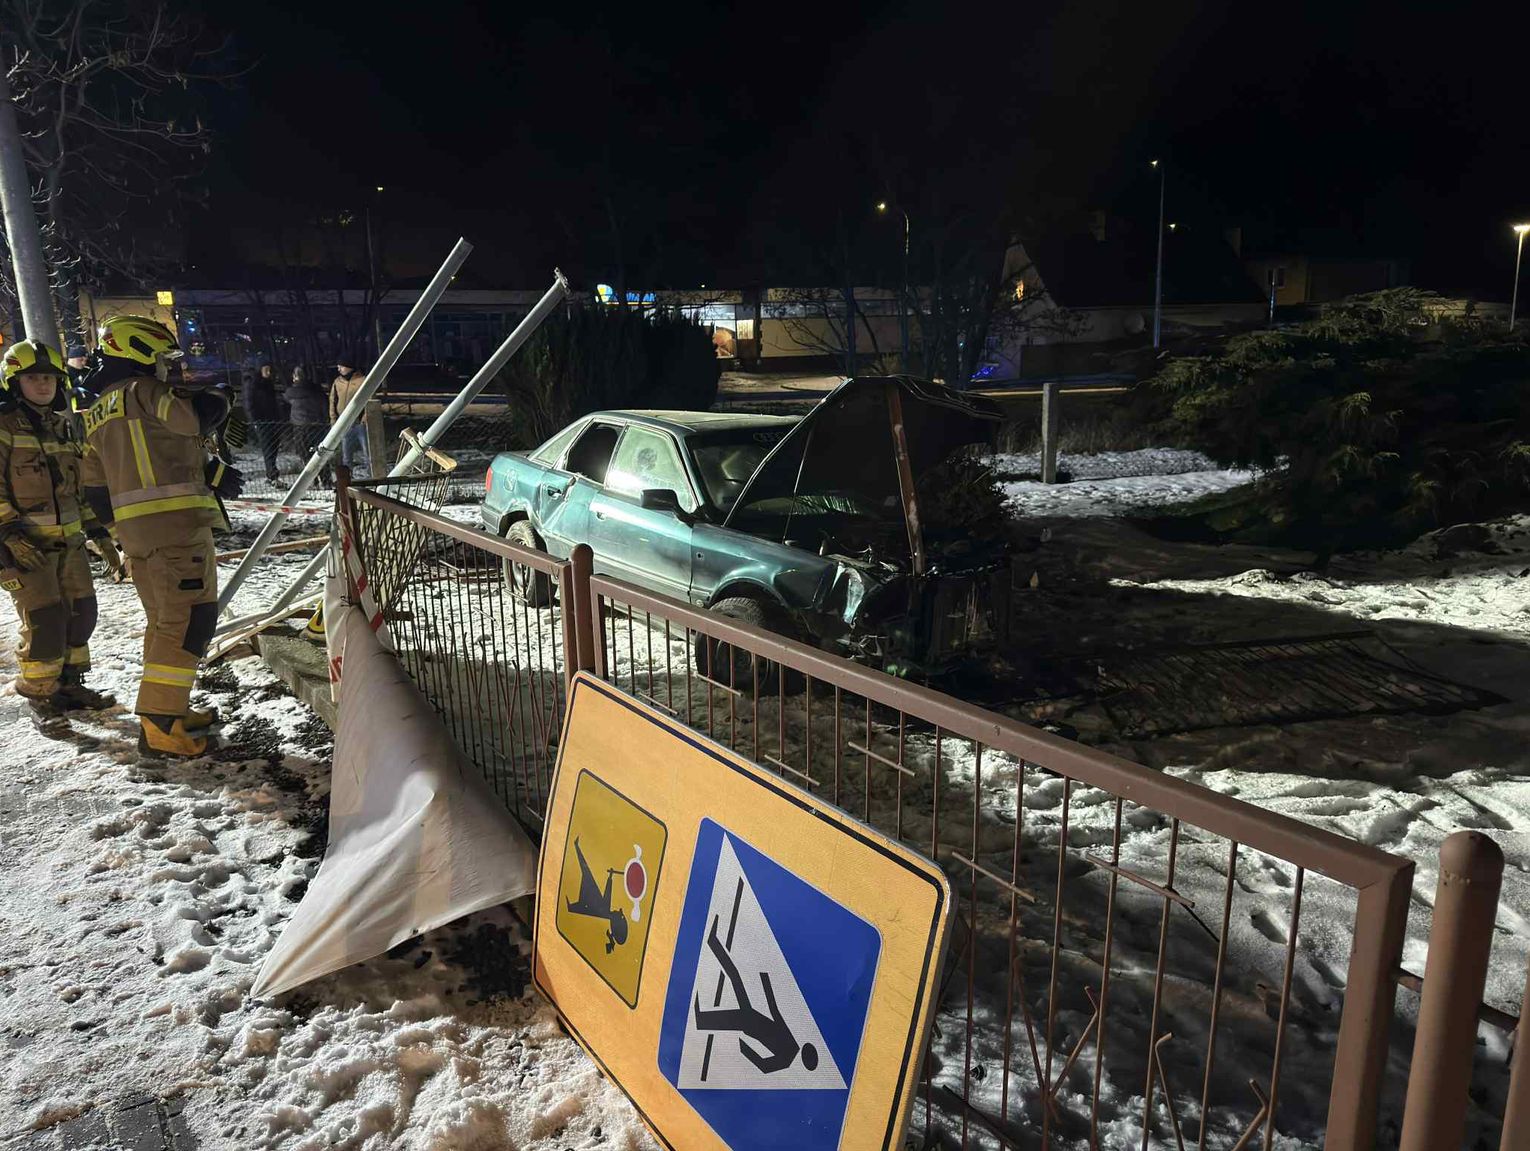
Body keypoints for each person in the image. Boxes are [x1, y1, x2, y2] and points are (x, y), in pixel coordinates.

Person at [80, 315, 244, 758]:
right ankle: (161, 726)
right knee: (188, 623)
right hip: (176, 533)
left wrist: (119, 535)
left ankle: (168, 709)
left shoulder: (98, 411)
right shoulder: (144, 392)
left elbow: (96, 488)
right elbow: (191, 419)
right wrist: (220, 399)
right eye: (163, 358)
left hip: (140, 539)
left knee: (165, 624)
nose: (167, 369)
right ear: (139, 351)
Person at [0, 339, 116, 726]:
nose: (43, 385)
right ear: (15, 383)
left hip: (71, 544)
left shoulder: (63, 427)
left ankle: (69, 684)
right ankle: (40, 696)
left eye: (49, 377)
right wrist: (9, 534)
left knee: (82, 615)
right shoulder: (3, 426)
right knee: (44, 621)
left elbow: (76, 489)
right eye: (33, 378)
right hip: (24, 547)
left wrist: (100, 536)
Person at [285, 366, 330, 484]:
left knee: (304, 454)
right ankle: (326, 480)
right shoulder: (316, 390)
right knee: (320, 453)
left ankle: (310, 479)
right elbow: (324, 405)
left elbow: (286, 398)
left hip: (299, 426)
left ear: (295, 377)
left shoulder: (292, 392)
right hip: (317, 425)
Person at [242, 364, 282, 483]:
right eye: (266, 370)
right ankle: (272, 474)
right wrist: (254, 421)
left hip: (272, 420)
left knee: (273, 446)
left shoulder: (268, 383)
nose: (269, 373)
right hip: (261, 421)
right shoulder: (252, 384)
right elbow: (249, 403)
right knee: (268, 447)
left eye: (270, 370)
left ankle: (272, 471)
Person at [330, 359, 370, 476]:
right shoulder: (337, 382)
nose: (339, 369)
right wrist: (333, 419)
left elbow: (370, 399)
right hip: (344, 423)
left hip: (360, 423)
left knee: (367, 453)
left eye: (341, 366)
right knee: (346, 454)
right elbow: (333, 400)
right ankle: (347, 478)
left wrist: (365, 418)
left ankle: (371, 476)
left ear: (349, 367)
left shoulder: (362, 381)